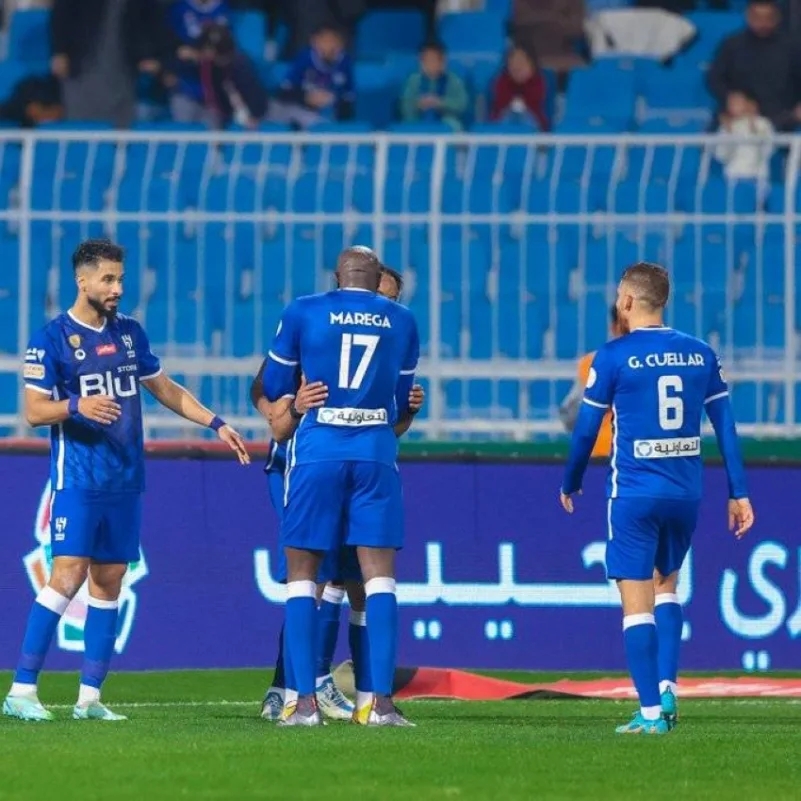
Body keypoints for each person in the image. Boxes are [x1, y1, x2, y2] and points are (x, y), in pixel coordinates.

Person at [4, 239, 249, 723]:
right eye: (108, 279)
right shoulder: (50, 339)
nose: (117, 288)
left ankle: (89, 698)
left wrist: (216, 423)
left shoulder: (131, 335)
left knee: (110, 580)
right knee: (68, 574)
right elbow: (33, 412)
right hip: (77, 478)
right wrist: (77, 405)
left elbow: (164, 388)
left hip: (125, 478)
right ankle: (21, 691)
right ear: (83, 281)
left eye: (120, 278)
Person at [559, 261, 754, 735]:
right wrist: (739, 492)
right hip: (685, 493)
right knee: (667, 585)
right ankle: (667, 687)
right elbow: (725, 425)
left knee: (635, 601)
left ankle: (649, 714)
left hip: (633, 493)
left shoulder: (612, 356)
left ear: (626, 302)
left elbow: (587, 428)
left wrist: (571, 479)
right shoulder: (700, 353)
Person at [254, 267, 424, 722]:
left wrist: (401, 411)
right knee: (346, 575)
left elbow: (398, 420)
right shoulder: (386, 322)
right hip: (323, 459)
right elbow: (267, 395)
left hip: (325, 457)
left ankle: (311, 693)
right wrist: (290, 406)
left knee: (329, 578)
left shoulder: (309, 314)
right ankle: (302, 689)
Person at [707, 0, 801, 133]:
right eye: (757, 17)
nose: (763, 23)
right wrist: (729, 97)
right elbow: (715, 78)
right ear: (748, 16)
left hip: (782, 117)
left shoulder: (793, 47)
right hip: (740, 113)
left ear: (778, 17)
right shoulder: (732, 45)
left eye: (768, 18)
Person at [559, 305, 622, 458]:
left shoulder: (660, 365)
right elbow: (569, 417)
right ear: (613, 328)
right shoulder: (591, 364)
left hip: (640, 462)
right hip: (599, 459)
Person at [271, 25, 355, 129]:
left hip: (331, 115)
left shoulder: (345, 62)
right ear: (314, 42)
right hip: (302, 111)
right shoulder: (304, 59)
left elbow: (349, 97)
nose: (329, 46)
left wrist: (333, 99)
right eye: (324, 41)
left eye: (333, 41)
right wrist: (306, 97)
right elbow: (284, 93)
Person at [400, 41, 469, 131]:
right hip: (416, 121)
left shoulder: (454, 81)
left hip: (447, 122)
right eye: (425, 60)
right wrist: (418, 104)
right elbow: (404, 106)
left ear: (443, 62)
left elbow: (462, 105)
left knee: (454, 126)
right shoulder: (413, 81)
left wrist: (439, 103)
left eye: (433, 60)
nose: (429, 64)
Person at [489, 45, 550, 130]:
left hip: (535, 129)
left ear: (532, 65)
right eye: (513, 63)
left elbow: (535, 103)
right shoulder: (501, 81)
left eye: (521, 62)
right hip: (502, 129)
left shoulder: (539, 82)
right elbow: (500, 106)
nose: (517, 67)